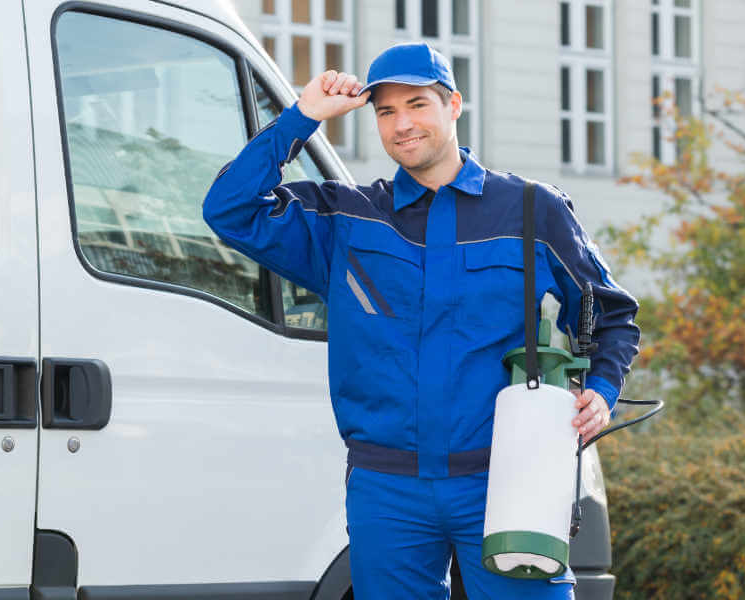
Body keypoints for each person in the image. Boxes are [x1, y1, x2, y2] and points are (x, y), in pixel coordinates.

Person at [203, 42, 639, 600]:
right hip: (388, 490)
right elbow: (228, 207)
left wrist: (601, 390)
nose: (402, 124)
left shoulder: (532, 210)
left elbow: (611, 315)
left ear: (454, 105)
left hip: (508, 478)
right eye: (386, 112)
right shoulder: (347, 220)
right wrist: (302, 116)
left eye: (417, 105)